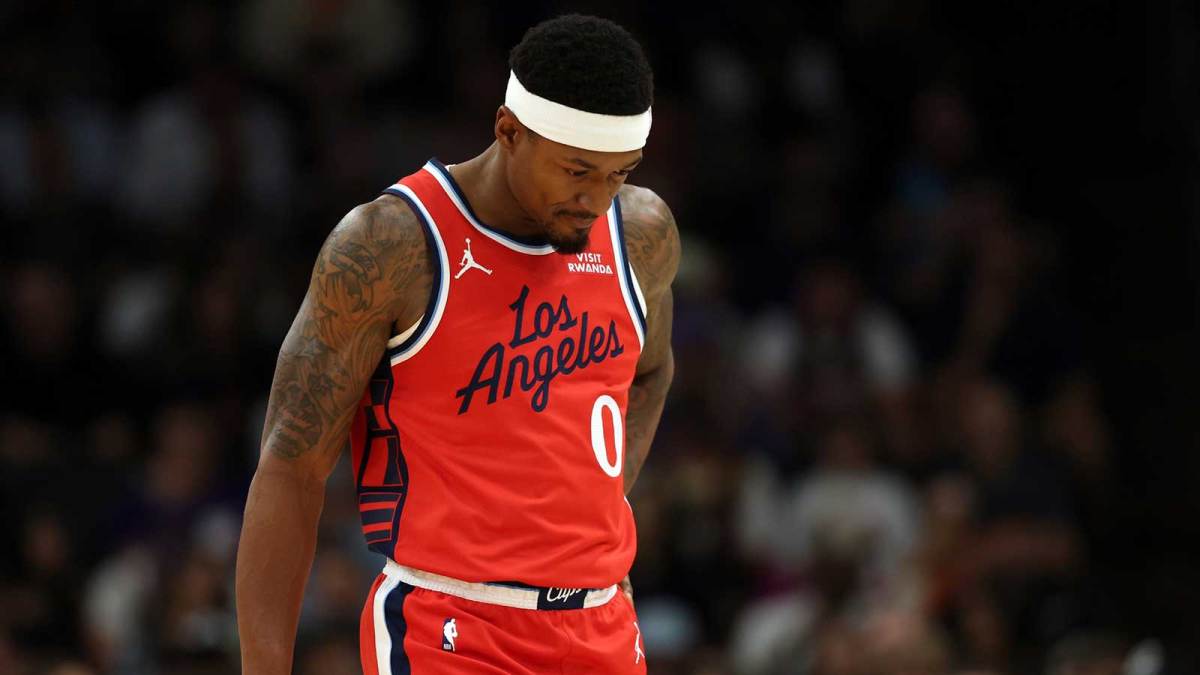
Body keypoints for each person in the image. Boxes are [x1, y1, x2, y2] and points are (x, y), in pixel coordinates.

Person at [235, 14, 680, 674]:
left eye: (618, 174)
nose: (596, 199)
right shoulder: (391, 244)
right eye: (577, 171)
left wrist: (599, 495)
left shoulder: (640, 234)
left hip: (601, 621)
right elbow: (290, 465)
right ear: (508, 130)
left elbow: (650, 372)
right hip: (451, 623)